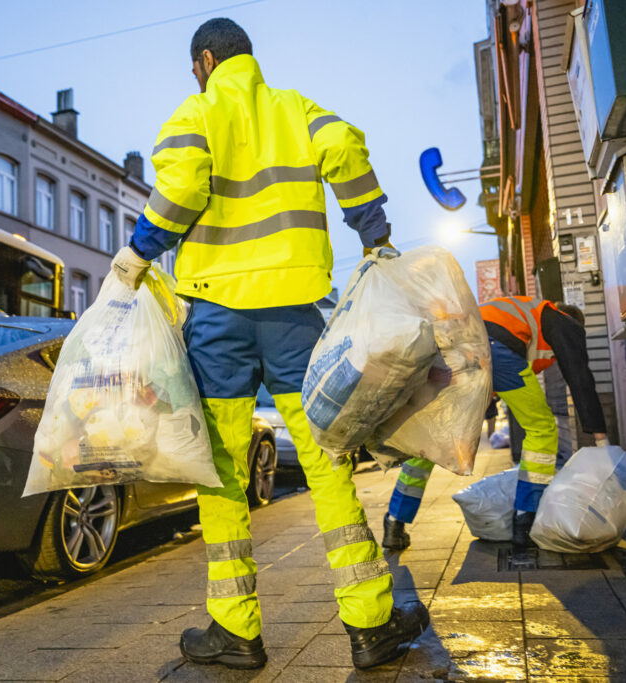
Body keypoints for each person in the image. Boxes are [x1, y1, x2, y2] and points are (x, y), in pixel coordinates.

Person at [110, 18, 428, 670]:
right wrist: (374, 233)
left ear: (204, 61)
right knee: (326, 464)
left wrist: (133, 261)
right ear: (245, 56)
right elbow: (345, 149)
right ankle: (369, 622)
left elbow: (179, 189)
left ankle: (236, 630)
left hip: (219, 321)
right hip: (292, 316)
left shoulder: (194, 114)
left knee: (222, 472)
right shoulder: (295, 109)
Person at [383, 296, 608, 551]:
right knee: (541, 427)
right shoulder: (560, 319)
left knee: (432, 442)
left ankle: (394, 522)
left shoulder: (523, 312)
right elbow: (579, 376)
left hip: (452, 349)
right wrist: (601, 438)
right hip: (492, 348)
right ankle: (526, 519)